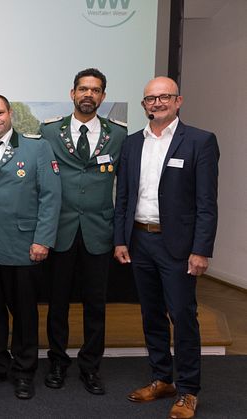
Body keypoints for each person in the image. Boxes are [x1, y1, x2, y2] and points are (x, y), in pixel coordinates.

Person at [114, 76, 219, 419]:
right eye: (150, 99)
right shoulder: (131, 143)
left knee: (183, 317)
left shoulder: (200, 142)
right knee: (151, 314)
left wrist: (201, 249)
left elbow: (206, 202)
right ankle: (162, 379)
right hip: (140, 241)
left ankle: (188, 390)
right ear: (144, 105)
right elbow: (124, 198)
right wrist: (121, 239)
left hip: (178, 246)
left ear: (178, 101)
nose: (157, 103)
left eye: (164, 97)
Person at [40, 68, 127, 395]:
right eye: (83, 89)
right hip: (60, 231)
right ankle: (58, 363)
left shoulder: (118, 135)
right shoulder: (49, 132)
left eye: (95, 90)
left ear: (103, 97)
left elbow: (125, 187)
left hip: (98, 232)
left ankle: (91, 367)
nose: (88, 95)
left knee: (96, 304)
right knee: (57, 303)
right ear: (72, 93)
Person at [0, 94, 61, 399]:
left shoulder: (37, 147)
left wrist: (43, 239)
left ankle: (24, 371)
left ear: (9, 114)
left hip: (24, 245)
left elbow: (51, 197)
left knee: (24, 314)